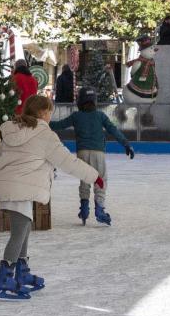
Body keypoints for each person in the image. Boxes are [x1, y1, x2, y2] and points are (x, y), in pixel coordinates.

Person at [0, 95, 101, 301]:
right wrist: (94, 176)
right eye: (50, 112)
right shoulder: (45, 135)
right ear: (43, 113)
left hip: (12, 187)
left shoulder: (12, 131)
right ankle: (5, 277)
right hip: (20, 189)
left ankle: (22, 271)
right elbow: (68, 161)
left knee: (24, 228)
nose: (50, 116)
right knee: (19, 233)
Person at [49, 86, 134, 226]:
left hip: (82, 153)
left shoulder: (76, 116)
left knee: (85, 179)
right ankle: (99, 210)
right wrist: (126, 144)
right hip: (98, 153)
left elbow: (59, 125)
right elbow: (113, 130)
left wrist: (43, 122)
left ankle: (84, 209)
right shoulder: (100, 116)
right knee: (100, 180)